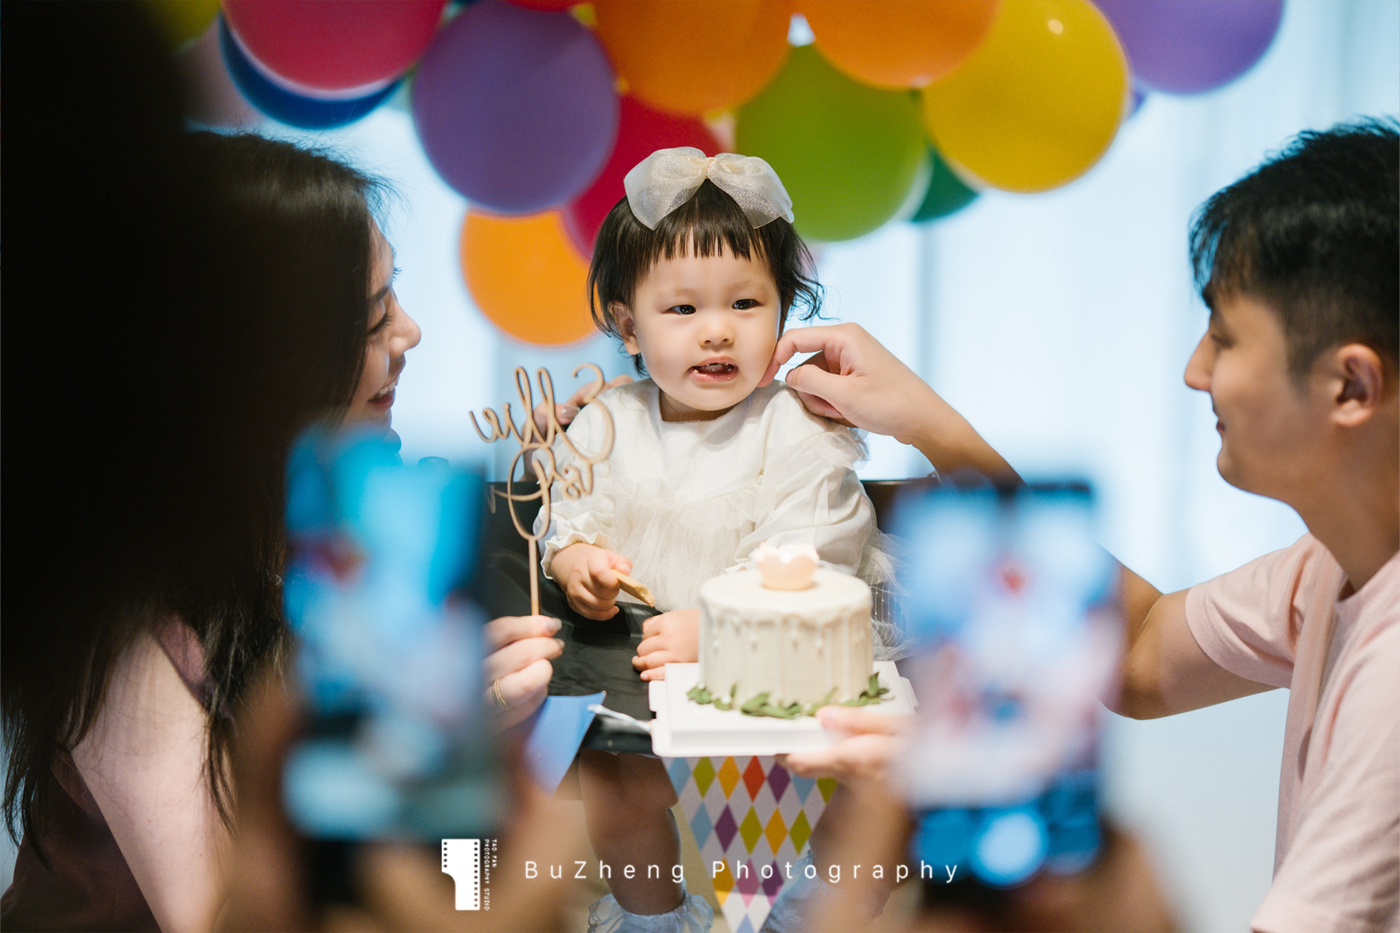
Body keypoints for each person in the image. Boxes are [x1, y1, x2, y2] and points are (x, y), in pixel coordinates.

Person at [768, 119, 1398, 932]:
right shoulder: (1326, 566)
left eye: (1225, 338)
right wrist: (929, 423)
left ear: (1351, 386)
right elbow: (1142, 651)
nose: (1195, 371)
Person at [532, 148, 894, 931]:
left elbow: (813, 549)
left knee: (803, 782)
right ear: (628, 325)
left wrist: (722, 626)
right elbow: (568, 508)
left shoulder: (791, 424)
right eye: (683, 309)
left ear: (783, 313)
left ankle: (799, 908)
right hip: (638, 663)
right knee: (616, 787)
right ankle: (653, 914)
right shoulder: (608, 421)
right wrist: (577, 558)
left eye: (746, 302)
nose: (718, 330)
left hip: (764, 662)